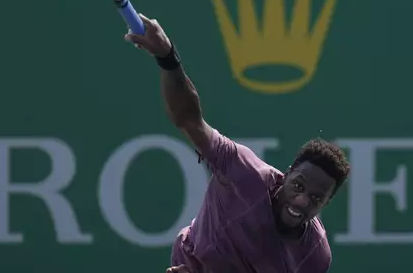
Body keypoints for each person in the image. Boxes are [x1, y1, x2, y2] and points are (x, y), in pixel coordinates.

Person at [125, 14, 351, 273]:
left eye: (315, 197)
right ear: (287, 174)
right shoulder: (243, 173)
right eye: (298, 185)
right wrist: (167, 57)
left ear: (325, 204)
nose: (301, 201)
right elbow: (189, 119)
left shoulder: (314, 257)